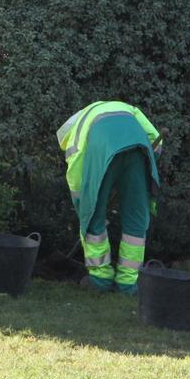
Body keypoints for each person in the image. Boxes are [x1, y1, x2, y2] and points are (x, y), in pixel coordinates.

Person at [57, 100, 163, 295]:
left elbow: (77, 182)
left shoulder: (75, 138)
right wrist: (140, 169)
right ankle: (128, 284)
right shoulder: (125, 108)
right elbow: (156, 140)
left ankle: (100, 279)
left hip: (103, 152)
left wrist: (84, 206)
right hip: (138, 152)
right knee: (135, 219)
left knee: (93, 217)